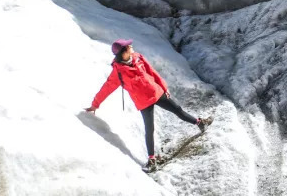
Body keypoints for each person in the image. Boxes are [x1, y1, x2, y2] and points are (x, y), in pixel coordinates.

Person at [85, 39, 212, 173]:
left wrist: (164, 87)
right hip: (143, 102)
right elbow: (107, 88)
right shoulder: (118, 72)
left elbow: (152, 72)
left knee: (178, 110)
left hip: (156, 93)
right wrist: (95, 105)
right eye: (128, 46)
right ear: (123, 52)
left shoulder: (138, 57)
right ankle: (152, 160)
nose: (131, 46)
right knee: (149, 128)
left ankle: (200, 123)